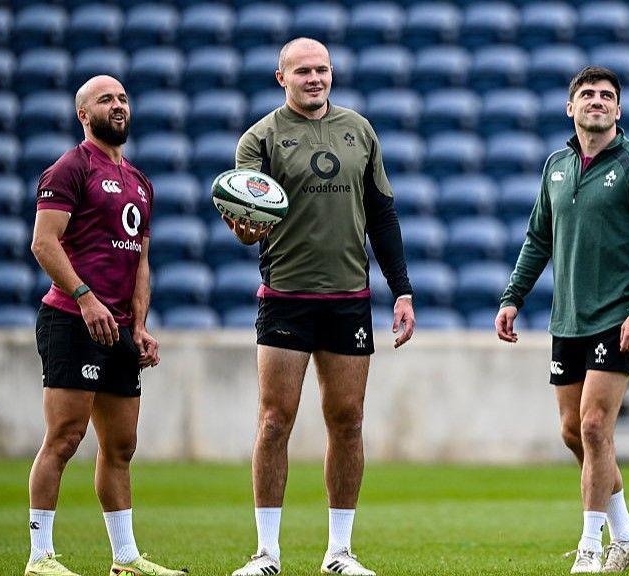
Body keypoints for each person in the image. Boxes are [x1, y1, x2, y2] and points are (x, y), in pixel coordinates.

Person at [227, 38, 415, 576]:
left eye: (323, 69)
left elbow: (382, 216)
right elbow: (246, 220)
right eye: (303, 70)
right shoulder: (259, 139)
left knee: (348, 421)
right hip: (285, 297)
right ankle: (267, 553)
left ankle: (339, 552)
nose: (315, 78)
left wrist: (401, 289)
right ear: (280, 76)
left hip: (349, 300)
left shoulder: (360, 130)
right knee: (273, 421)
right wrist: (244, 229)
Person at [496, 66, 629, 574]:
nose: (597, 101)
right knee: (574, 431)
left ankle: (591, 547)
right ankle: (627, 534)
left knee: (594, 425)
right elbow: (538, 238)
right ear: (571, 108)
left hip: (619, 318)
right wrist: (512, 296)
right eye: (587, 94)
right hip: (567, 319)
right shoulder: (556, 165)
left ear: (619, 109)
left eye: (607, 95)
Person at [26, 75, 184, 576]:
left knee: (121, 447)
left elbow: (139, 260)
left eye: (122, 98)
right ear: (83, 114)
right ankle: (39, 558)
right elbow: (43, 243)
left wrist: (138, 326)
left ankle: (125, 560)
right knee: (65, 437)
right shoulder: (70, 168)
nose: (117, 106)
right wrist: (85, 297)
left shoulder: (140, 182)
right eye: (105, 100)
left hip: (117, 329)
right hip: (72, 320)